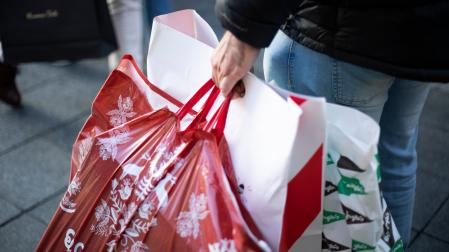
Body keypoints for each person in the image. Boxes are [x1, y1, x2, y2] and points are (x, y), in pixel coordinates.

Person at [211, 0, 449, 247]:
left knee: (321, 185)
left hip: (333, 33)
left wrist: (243, 28)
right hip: (422, 34)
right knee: (392, 162)